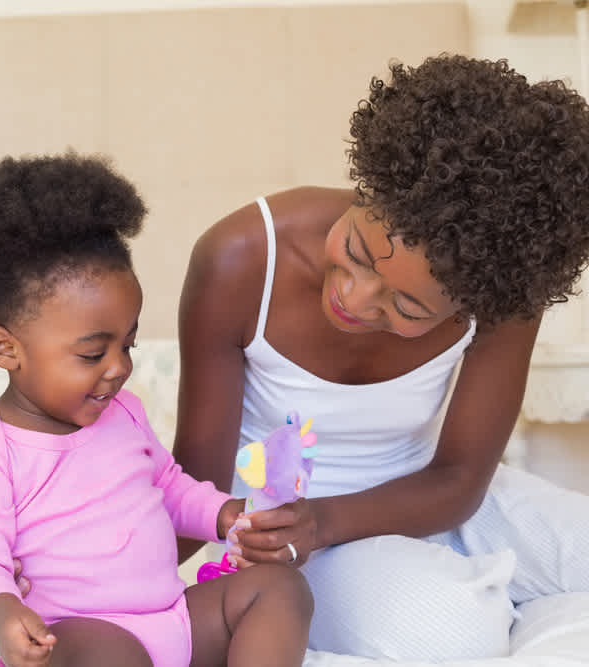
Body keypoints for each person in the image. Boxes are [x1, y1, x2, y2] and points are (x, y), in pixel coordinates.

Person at [173, 54, 589, 661]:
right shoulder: (241, 258)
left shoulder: (500, 286)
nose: (354, 297)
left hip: (432, 501)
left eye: (409, 308)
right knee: (454, 628)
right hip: (286, 536)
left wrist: (329, 519)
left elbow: (460, 480)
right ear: (373, 184)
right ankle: (471, 590)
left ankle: (476, 580)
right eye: (360, 252)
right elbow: (198, 485)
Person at [0, 153, 313, 667]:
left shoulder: (124, 412)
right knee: (110, 657)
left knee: (281, 590)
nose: (117, 368)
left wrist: (223, 513)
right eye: (91, 353)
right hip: (78, 638)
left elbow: (168, 487)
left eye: (127, 345)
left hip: (174, 619)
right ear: (5, 350)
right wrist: (2, 614)